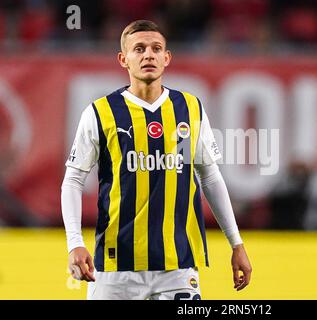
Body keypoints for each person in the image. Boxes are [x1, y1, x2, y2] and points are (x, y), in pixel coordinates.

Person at [61, 20, 252, 300]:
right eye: (139, 49)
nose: (148, 54)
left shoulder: (189, 109)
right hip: (115, 268)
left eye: (156, 48)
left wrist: (236, 243)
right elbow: (73, 180)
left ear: (167, 58)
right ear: (123, 59)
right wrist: (74, 244)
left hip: (177, 267)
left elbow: (209, 176)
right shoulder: (101, 113)